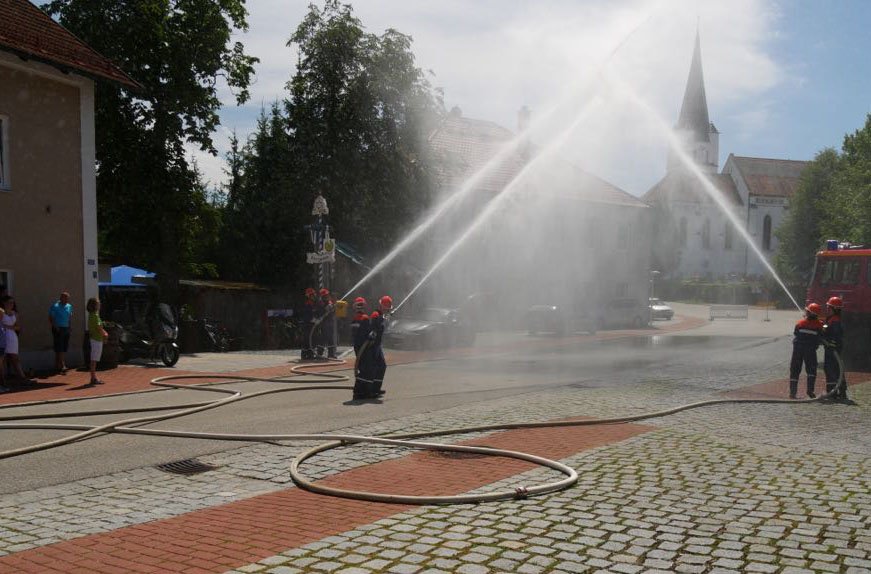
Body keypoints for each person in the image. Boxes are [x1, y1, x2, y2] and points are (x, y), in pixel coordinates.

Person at [354, 295, 392, 400]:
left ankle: (375, 389)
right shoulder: (375, 314)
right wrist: (383, 320)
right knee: (368, 368)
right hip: (372, 346)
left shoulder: (382, 315)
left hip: (377, 345)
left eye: (389, 307)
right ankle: (361, 392)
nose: (388, 309)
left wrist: (385, 319)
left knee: (381, 366)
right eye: (386, 307)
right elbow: (374, 326)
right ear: (382, 306)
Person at [789, 302, 823, 399]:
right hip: (811, 351)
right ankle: (810, 391)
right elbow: (820, 337)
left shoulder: (800, 323)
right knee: (811, 371)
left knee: (795, 370)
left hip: (798, 350)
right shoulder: (819, 325)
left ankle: (793, 392)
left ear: (808, 313)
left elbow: (796, 333)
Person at [822, 296, 848, 400]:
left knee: (830, 369)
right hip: (832, 349)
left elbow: (835, 335)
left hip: (832, 350)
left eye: (829, 307)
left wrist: (830, 343)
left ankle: (832, 392)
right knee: (837, 369)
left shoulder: (835, 320)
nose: (827, 309)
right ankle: (841, 391)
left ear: (834, 309)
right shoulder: (832, 319)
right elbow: (826, 329)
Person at [1, 296, 27, 383]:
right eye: (9, 302)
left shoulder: (15, 313)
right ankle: (3, 380)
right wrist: (8, 327)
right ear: (4, 303)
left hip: (12, 336)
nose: (11, 304)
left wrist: (7, 326)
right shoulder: (1, 313)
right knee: (2, 359)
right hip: (3, 336)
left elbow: (18, 327)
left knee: (15, 358)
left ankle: (22, 378)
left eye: (12, 303)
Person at [49, 291, 73, 373]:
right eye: (65, 298)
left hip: (66, 328)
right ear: (61, 298)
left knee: (63, 347)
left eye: (67, 298)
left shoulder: (69, 306)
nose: (67, 300)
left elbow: (69, 317)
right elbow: (51, 318)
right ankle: (63, 365)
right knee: (60, 346)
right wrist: (55, 327)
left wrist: (70, 327)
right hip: (58, 328)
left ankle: (57, 365)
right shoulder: (55, 306)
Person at [86, 298, 108, 386]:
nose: (100, 305)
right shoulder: (94, 315)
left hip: (95, 338)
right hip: (96, 339)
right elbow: (99, 327)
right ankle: (93, 378)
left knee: (94, 358)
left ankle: (93, 377)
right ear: (94, 305)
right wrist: (105, 334)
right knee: (94, 359)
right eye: (98, 304)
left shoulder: (93, 315)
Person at [315, 288, 337, 359]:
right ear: (322, 296)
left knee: (331, 339)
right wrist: (324, 309)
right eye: (325, 295)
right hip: (323, 324)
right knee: (322, 339)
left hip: (330, 323)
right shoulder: (320, 303)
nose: (326, 296)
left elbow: (333, 312)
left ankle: (331, 354)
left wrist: (333, 308)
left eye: (327, 295)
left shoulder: (330, 302)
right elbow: (318, 313)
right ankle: (319, 354)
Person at [299, 288, 317, 360]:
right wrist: (313, 320)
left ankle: (310, 355)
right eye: (312, 295)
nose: (314, 296)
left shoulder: (312, 303)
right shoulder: (307, 304)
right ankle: (304, 355)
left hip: (310, 325)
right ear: (309, 295)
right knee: (306, 340)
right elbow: (307, 315)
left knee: (311, 340)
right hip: (307, 325)